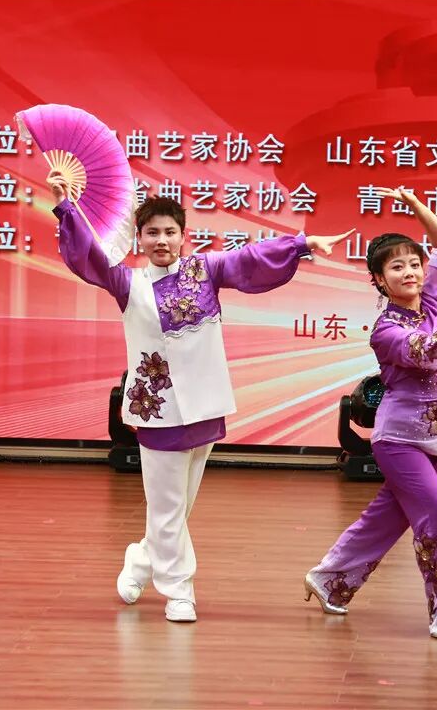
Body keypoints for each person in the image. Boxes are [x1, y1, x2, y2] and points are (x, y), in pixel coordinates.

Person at [49, 170, 351, 622]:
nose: (162, 240)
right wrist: (65, 207)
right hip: (158, 409)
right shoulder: (126, 282)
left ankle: (141, 560)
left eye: (170, 231)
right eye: (152, 232)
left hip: (206, 404)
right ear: (139, 238)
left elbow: (250, 259)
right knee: (168, 507)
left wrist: (302, 244)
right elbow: (87, 256)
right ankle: (179, 591)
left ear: (183, 236)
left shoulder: (205, 270)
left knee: (177, 507)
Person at [304, 187, 437, 639]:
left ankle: (330, 581)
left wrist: (413, 204)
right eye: (396, 267)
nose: (409, 271)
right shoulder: (386, 330)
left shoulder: (431, 304)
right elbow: (423, 348)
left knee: (387, 517)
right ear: (379, 279)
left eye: (414, 264)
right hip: (399, 440)